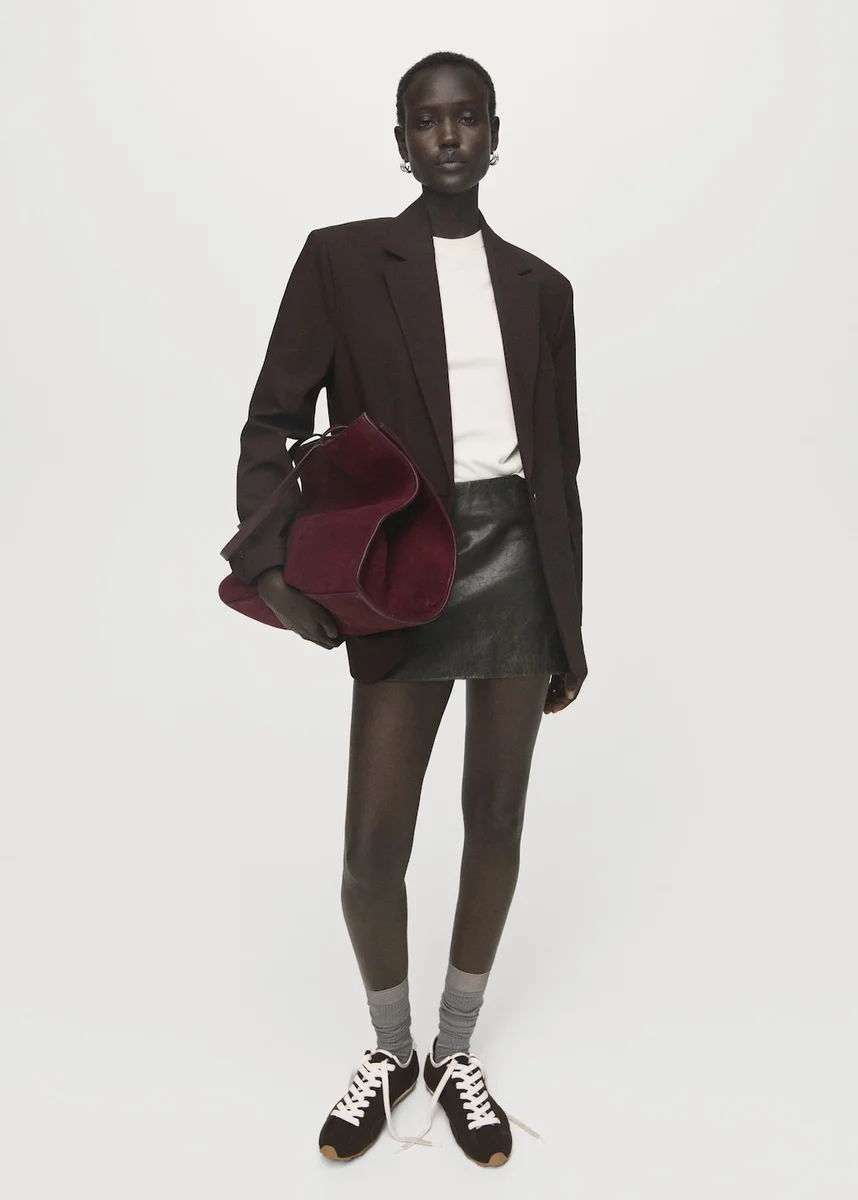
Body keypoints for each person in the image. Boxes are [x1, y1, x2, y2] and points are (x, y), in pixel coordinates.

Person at [227, 50, 587, 1168]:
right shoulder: (341, 261)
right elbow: (273, 419)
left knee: (497, 820)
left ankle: (456, 1048)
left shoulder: (543, 289)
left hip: (517, 566)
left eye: (467, 117)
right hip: (400, 563)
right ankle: (390, 1050)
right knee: (372, 849)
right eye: (426, 121)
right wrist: (276, 570)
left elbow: (561, 468)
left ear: (495, 134)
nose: (448, 137)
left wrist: (570, 624)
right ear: (400, 141)